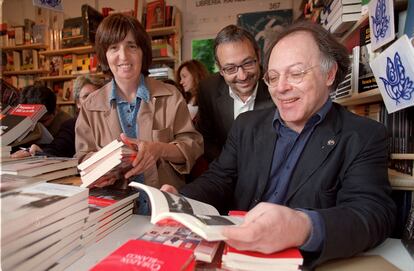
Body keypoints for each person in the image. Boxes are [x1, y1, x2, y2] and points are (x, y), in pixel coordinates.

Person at [162, 20, 396, 268]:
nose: (281, 88)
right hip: (235, 256)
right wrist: (181, 200)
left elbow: (373, 214)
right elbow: (219, 179)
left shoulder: (363, 135)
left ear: (329, 74)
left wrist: (303, 227)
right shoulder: (246, 125)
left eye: (296, 74)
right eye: (273, 77)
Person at [75, 14, 203, 204]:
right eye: (113, 48)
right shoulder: (90, 105)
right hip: (113, 210)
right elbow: (83, 159)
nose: (124, 56)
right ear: (104, 55)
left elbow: (192, 145)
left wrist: (159, 149)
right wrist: (102, 170)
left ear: (143, 51)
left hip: (164, 204)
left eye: (131, 46)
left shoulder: (171, 95)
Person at [196, 24, 274, 162]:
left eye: (248, 63)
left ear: (259, 57)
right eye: (230, 68)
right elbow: (205, 139)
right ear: (220, 69)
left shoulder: (276, 85)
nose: (242, 76)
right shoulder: (208, 89)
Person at [11, 75, 106, 158]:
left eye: (97, 95)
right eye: (86, 96)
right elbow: (57, 148)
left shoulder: (63, 122)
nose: (92, 100)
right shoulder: (71, 125)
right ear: (78, 103)